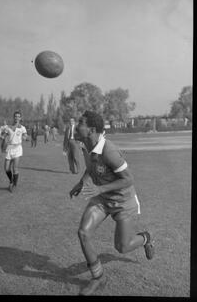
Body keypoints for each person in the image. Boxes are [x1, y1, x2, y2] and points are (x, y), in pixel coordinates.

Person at [69, 110, 155, 296]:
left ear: (91, 129)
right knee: (83, 232)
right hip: (103, 199)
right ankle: (98, 278)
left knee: (122, 247)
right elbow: (92, 167)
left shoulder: (109, 150)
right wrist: (81, 182)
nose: (77, 124)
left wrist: (99, 189)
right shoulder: (85, 145)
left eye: (81, 122)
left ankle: (146, 238)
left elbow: (128, 179)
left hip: (123, 201)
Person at [0, 111, 27, 193]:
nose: (17, 118)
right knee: (6, 168)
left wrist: (25, 137)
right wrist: (1, 137)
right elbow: (4, 137)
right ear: (13, 117)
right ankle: (11, 181)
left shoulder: (22, 128)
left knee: (15, 168)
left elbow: (25, 136)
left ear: (20, 118)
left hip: (17, 148)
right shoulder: (9, 127)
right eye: (15, 116)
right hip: (9, 148)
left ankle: (14, 185)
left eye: (18, 116)